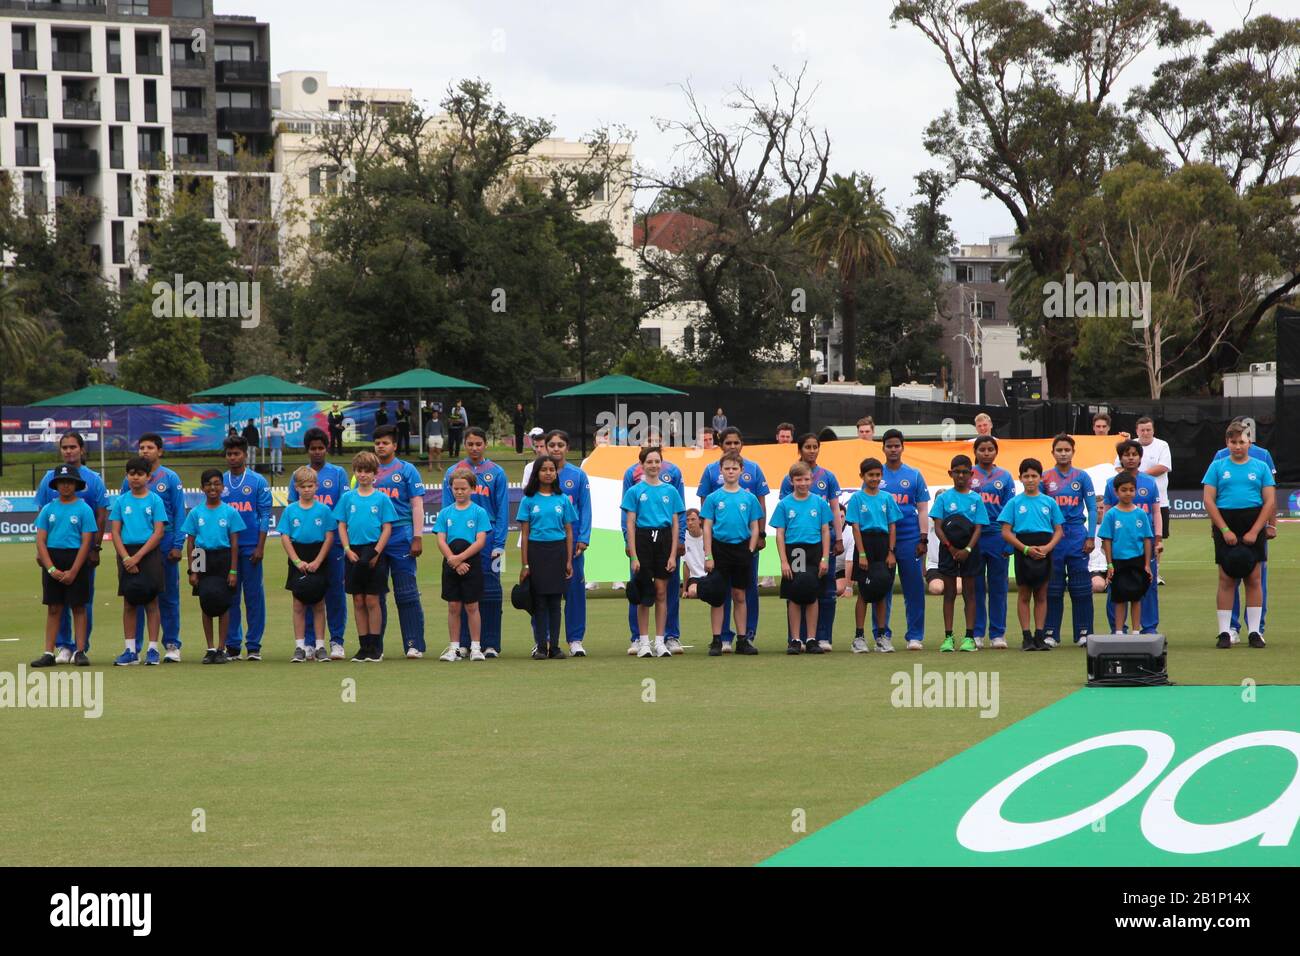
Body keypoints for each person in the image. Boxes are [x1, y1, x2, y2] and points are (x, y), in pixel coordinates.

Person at [34, 431, 107, 661]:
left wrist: (95, 548)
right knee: (56, 603)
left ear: (82, 449)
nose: (68, 451)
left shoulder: (93, 479)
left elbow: (101, 514)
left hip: (81, 550)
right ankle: (62, 645)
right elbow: (43, 515)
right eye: (64, 447)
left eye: (73, 447)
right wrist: (41, 552)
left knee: (81, 601)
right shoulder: (49, 478)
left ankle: (80, 647)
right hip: (54, 550)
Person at [696, 427, 769, 650]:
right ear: (721, 470)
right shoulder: (713, 497)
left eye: (734, 468)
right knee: (718, 593)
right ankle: (718, 638)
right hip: (720, 549)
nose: (730, 471)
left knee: (740, 594)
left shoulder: (748, 496)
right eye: (727, 468)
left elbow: (756, 522)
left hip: (741, 550)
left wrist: (750, 547)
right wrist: (708, 554)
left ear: (741, 470)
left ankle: (743, 638)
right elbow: (707, 525)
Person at [1203, 422, 1274, 649]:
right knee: (1226, 579)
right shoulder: (1217, 466)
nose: (1237, 446)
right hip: (1226, 523)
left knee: (1253, 578)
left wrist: (1256, 530)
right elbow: (1208, 500)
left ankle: (1255, 632)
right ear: (1227, 443)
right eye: (1233, 442)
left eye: (1242, 442)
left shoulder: (1261, 466)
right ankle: (1225, 632)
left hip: (1253, 521)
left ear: (1249, 443)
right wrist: (1224, 529)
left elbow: (1270, 501)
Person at [119, 434, 185, 661]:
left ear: (160, 451)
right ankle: (133, 647)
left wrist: (177, 544)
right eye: (141, 447)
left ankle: (171, 644)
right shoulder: (128, 480)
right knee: (135, 595)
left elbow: (178, 512)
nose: (145, 451)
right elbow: (122, 516)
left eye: (149, 447)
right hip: (135, 546)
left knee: (167, 596)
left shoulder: (171, 477)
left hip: (164, 543)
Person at [447, 427, 510, 658]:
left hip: (491, 538)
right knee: (463, 591)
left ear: (485, 445)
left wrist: (500, 544)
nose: (474, 448)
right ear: (464, 444)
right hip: (461, 542)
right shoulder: (453, 472)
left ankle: (491, 643)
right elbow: (446, 510)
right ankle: (464, 643)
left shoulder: (497, 472)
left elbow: (503, 510)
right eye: (470, 444)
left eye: (478, 444)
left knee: (492, 590)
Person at [778, 433, 843, 651]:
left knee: (822, 592)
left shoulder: (828, 477)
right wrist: (784, 560)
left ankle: (819, 638)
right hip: (795, 547)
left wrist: (838, 538)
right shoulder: (788, 485)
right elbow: (782, 525)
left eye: (815, 446)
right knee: (796, 591)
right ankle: (795, 638)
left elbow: (834, 509)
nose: (812, 450)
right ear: (800, 449)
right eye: (808, 446)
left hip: (818, 547)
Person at [622, 439, 687, 654]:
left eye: (657, 461)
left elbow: (676, 523)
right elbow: (630, 523)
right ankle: (643, 641)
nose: (653, 465)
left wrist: (672, 554)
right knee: (643, 593)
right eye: (649, 461)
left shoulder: (671, 491)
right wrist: (633, 555)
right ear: (642, 464)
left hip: (664, 539)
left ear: (662, 463)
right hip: (642, 539)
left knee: (661, 592)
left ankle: (660, 641)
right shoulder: (635, 491)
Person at [31, 464, 97, 668]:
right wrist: (51, 568)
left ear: (76, 485)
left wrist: (74, 570)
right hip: (53, 559)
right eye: (62, 482)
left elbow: (87, 541)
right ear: (56, 484)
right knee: (54, 608)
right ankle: (49, 652)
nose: (65, 486)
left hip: (76, 559)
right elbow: (41, 540)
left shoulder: (84, 509)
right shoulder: (49, 508)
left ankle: (79, 651)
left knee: (79, 607)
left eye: (69, 482)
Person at [334, 451, 397, 662]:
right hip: (353, 551)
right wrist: (346, 548)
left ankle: (375, 646)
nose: (362, 475)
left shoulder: (382, 499)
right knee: (358, 600)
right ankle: (363, 646)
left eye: (367, 471)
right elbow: (341, 525)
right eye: (359, 471)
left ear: (375, 474)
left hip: (374, 551)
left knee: (372, 599)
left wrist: (377, 552)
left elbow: (387, 528)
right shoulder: (347, 498)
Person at [293, 428, 349, 660]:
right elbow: (292, 507)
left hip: (333, 544)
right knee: (307, 593)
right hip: (305, 547)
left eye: (321, 448)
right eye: (313, 448)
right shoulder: (298, 474)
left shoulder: (338, 473)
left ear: (326, 448)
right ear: (307, 450)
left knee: (335, 593)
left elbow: (344, 507)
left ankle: (336, 640)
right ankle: (307, 643)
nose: (317, 452)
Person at [372, 424, 426, 659]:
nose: (380, 446)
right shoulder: (367, 470)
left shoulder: (407, 469)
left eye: (385, 443)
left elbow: (416, 504)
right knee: (376, 593)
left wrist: (417, 536)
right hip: (373, 538)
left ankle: (414, 644)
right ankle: (376, 646)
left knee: (406, 592)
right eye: (377, 443)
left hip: (401, 534)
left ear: (394, 445)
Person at [999, 458, 1065, 651]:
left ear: (1041, 478)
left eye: (1034, 476)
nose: (1030, 479)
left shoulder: (1049, 502)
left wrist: (1047, 548)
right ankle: (1026, 637)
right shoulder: (1014, 502)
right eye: (1026, 476)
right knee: (1024, 594)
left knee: (1042, 594)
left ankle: (1039, 636)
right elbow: (1005, 531)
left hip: (1044, 550)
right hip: (1023, 550)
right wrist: (1025, 549)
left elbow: (1059, 530)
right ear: (1020, 478)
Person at [518, 455, 578, 659]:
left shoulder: (562, 499)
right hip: (536, 552)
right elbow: (525, 534)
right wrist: (525, 564)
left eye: (552, 469)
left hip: (558, 552)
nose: (548, 473)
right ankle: (541, 646)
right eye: (544, 469)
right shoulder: (528, 500)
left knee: (555, 602)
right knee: (540, 602)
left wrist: (569, 560)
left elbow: (569, 531)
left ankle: (555, 646)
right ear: (537, 473)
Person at [110, 457, 168, 666]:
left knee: (151, 602)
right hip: (126, 554)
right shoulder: (121, 501)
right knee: (129, 602)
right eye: (131, 473)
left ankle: (152, 649)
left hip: (148, 553)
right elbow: (115, 532)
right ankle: (130, 650)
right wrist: (126, 557)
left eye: (140, 473)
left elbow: (159, 532)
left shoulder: (155, 500)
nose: (135, 477)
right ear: (127, 476)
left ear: (148, 477)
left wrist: (138, 556)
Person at [183, 469, 244, 664]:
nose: (212, 487)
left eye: (217, 483)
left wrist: (233, 570)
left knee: (224, 603)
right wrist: (193, 570)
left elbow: (234, 543)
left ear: (223, 487)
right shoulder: (195, 512)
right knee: (206, 602)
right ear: (202, 488)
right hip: (202, 555)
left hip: (223, 557)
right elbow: (191, 543)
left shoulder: (230, 512)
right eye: (208, 484)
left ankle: (221, 648)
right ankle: (209, 648)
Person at [772, 460, 833, 655]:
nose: (803, 483)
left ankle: (812, 638)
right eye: (799, 479)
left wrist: (825, 558)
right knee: (795, 595)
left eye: (806, 479)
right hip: (794, 551)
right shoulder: (784, 504)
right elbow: (780, 534)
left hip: (814, 550)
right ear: (792, 481)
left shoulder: (820, 503)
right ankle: (795, 639)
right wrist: (783, 561)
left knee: (813, 594)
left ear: (812, 479)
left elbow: (825, 531)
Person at [219, 436, 271, 661]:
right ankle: (232, 644)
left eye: (237, 453)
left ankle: (253, 645)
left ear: (245, 454)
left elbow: (265, 515)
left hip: (251, 547)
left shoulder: (258, 481)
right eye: (229, 454)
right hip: (226, 548)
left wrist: (260, 546)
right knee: (230, 596)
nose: (233, 457)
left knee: (253, 596)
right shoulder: (220, 481)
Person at [1102, 440, 1162, 634]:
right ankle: (1118, 629)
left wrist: (1158, 539)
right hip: (1120, 547)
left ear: (1140, 457)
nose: (1130, 458)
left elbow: (1156, 512)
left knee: (1146, 586)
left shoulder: (1149, 483)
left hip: (1142, 544)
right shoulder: (1111, 484)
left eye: (1134, 454)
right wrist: (1106, 548)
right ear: (1120, 458)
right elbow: (1108, 515)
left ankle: (1148, 627)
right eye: (1126, 455)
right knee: (1116, 589)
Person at [1042, 433, 1096, 647]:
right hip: (1054, 536)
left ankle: (1084, 633)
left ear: (1073, 452)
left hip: (1076, 534)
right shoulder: (1045, 477)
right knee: (1053, 587)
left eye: (1067, 450)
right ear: (1053, 453)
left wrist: (1091, 536)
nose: (1063, 453)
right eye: (1059, 450)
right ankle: (1050, 633)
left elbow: (1092, 507)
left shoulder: (1082, 477)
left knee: (1081, 586)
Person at [877, 429, 930, 650]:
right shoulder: (875, 473)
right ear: (883, 448)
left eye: (896, 445)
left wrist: (923, 539)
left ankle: (915, 636)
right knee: (881, 588)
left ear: (902, 447)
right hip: (881, 540)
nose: (893, 449)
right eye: (889, 445)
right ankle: (882, 634)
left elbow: (922, 509)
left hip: (910, 538)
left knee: (914, 588)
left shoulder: (914, 475)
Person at [844, 457, 902, 653]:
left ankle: (882, 636)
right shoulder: (857, 499)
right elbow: (856, 529)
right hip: (865, 545)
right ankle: (859, 637)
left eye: (878, 475)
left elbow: (892, 526)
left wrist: (891, 552)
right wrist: (861, 554)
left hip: (883, 545)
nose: (874, 478)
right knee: (864, 593)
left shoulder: (887, 498)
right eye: (870, 475)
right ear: (862, 476)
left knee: (882, 592)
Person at [542, 430, 592, 655]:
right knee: (544, 593)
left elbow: (585, 508)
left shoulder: (578, 475)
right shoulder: (540, 473)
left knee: (574, 592)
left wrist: (583, 538)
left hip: (572, 545)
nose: (555, 448)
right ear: (545, 447)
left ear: (567, 448)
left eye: (560, 445)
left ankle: (575, 640)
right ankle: (544, 639)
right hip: (544, 544)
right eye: (551, 445)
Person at [280, 465, 337, 662]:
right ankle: (300, 647)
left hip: (318, 555)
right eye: (303, 486)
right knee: (298, 603)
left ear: (317, 486)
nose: (306, 489)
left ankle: (320, 646)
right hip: (298, 556)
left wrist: (318, 561)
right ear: (296, 487)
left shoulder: (324, 510)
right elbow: (285, 537)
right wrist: (296, 561)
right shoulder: (290, 510)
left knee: (319, 603)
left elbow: (329, 537)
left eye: (310, 485)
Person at [435, 468, 492, 662]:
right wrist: (453, 559)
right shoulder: (445, 513)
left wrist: (461, 558)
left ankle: (476, 647)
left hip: (471, 564)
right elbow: (441, 539)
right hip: (451, 564)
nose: (459, 492)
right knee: (453, 606)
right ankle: (454, 648)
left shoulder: (479, 512)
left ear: (472, 489)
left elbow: (480, 541)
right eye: (455, 488)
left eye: (463, 488)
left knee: (472, 606)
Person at [933, 454, 986, 652]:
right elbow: (938, 527)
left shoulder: (976, 499)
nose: (961, 476)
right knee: (949, 593)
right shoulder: (944, 498)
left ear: (971, 474)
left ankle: (969, 637)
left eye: (965, 472)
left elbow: (979, 528)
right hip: (948, 549)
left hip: (970, 550)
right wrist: (951, 547)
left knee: (970, 593)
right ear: (950, 473)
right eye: (957, 472)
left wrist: (968, 549)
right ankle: (948, 637)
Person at [970, 436, 1015, 649]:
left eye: (990, 449)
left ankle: (998, 633)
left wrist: (1009, 542)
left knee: (998, 587)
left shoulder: (1005, 477)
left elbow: (1010, 510)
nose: (986, 453)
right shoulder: (969, 474)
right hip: (975, 536)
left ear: (996, 451)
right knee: (976, 587)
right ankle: (977, 632)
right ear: (975, 451)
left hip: (997, 535)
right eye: (982, 449)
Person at [1116, 417, 1171, 585]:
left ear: (1153, 430)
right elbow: (1117, 467)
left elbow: (1164, 466)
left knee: (1156, 536)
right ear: (1137, 430)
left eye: (1148, 429)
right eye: (1142, 430)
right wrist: (1131, 476)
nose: (1145, 433)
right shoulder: (1128, 444)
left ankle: (1155, 570)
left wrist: (1139, 475)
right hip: (1129, 502)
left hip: (1158, 500)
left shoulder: (1162, 445)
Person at [1098, 473, 1154, 634]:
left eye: (1131, 490)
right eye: (1124, 490)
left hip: (1137, 560)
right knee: (1119, 597)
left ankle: (1136, 631)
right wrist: (1109, 564)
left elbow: (1146, 539)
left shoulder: (1140, 514)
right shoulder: (1111, 514)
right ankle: (1118, 631)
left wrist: (1146, 564)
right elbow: (1106, 540)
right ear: (1116, 492)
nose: (1128, 493)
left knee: (1136, 597)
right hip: (1118, 561)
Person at [681, 508, 707, 599]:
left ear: (700, 521)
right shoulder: (683, 538)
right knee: (692, 593)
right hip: (695, 578)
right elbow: (686, 565)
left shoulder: (707, 535)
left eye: (693, 519)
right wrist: (684, 590)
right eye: (687, 520)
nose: (690, 523)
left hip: (709, 575)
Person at [426, 408, 446, 473]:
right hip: (431, 437)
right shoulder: (429, 422)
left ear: (437, 415)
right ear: (432, 415)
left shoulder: (440, 422)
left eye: (436, 414)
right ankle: (430, 466)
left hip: (439, 437)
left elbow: (442, 429)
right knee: (431, 452)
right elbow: (426, 430)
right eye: (434, 413)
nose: (435, 415)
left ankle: (438, 466)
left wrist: (442, 437)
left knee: (438, 452)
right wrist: (428, 436)